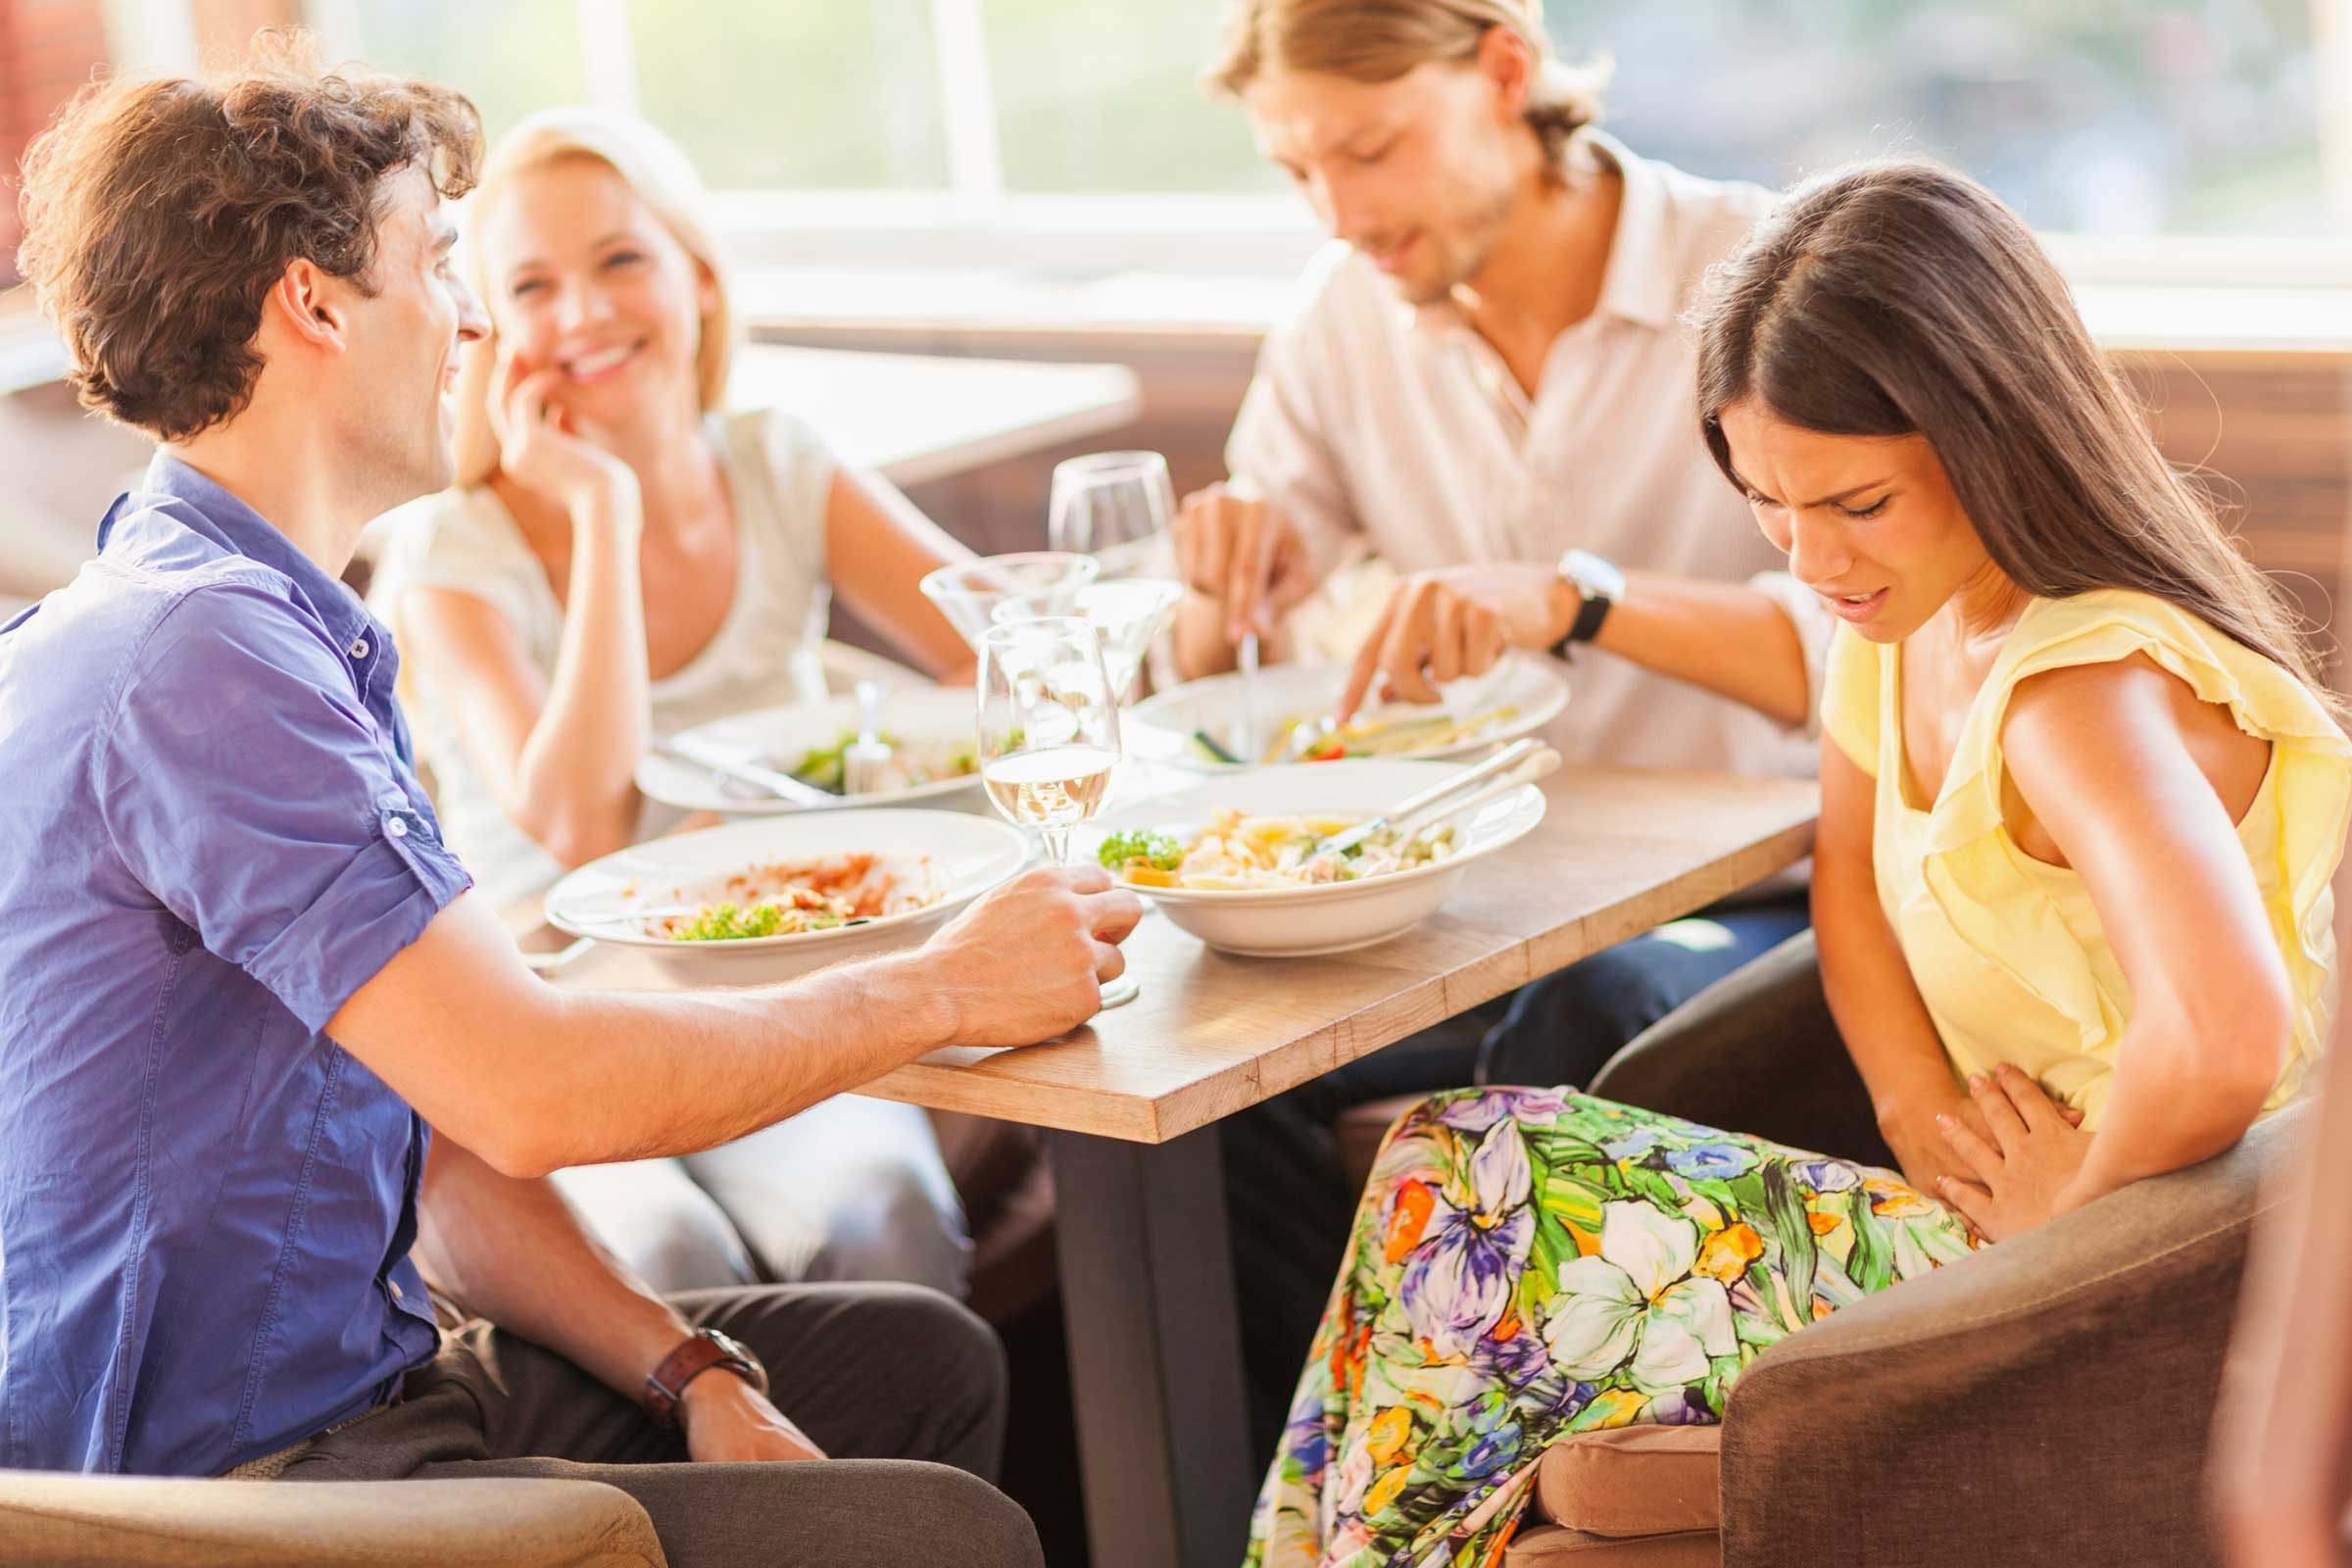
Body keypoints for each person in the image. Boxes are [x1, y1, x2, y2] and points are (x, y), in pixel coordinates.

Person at [0, 44, 1140, 1568]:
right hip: (244, 1483)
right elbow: (535, 1090)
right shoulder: (206, 660)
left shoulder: (247, 619)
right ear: (316, 301)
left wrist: (691, 1372)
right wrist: (941, 985)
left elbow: (452, 1131)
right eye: (441, 264)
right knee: (949, 1531)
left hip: (374, 1382)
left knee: (918, 1361)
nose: (473, 318)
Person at [1245, 158, 2350, 1566]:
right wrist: (1916, 1117)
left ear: (1996, 436)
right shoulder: (1898, 628)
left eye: (1856, 504)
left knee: (1463, 1183)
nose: (1810, 555)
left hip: (2160, 1281)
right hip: (2007, 1227)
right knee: (1445, 1201)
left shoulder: (2083, 695)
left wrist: (2060, 1229)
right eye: (1767, 501)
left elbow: (2225, 1038)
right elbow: (1852, 889)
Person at [1185, 0, 1828, 1459]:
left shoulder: (1761, 277)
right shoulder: (1343, 320)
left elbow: (1864, 650)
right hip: (1475, 909)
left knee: (1580, 1020)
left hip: (1756, 903)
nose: (1341, 211)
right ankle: (1321, 1499)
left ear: (1505, 71)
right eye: (1298, 173)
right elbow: (1229, 650)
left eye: (1371, 148)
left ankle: (1489, 1473)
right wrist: (1232, 568)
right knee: (1211, 1091)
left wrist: (1573, 598)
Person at [370, 108, 977, 1299]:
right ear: (490, 326)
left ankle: (905, 1497)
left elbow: (1002, 661)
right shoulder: (452, 552)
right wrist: (605, 513)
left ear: (697, 277)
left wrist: (892, 814)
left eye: (621, 261)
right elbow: (583, 827)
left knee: (891, 1217)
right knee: (668, 1257)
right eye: (533, 285)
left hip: (778, 999)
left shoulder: (777, 463)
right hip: (567, 1018)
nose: (584, 313)